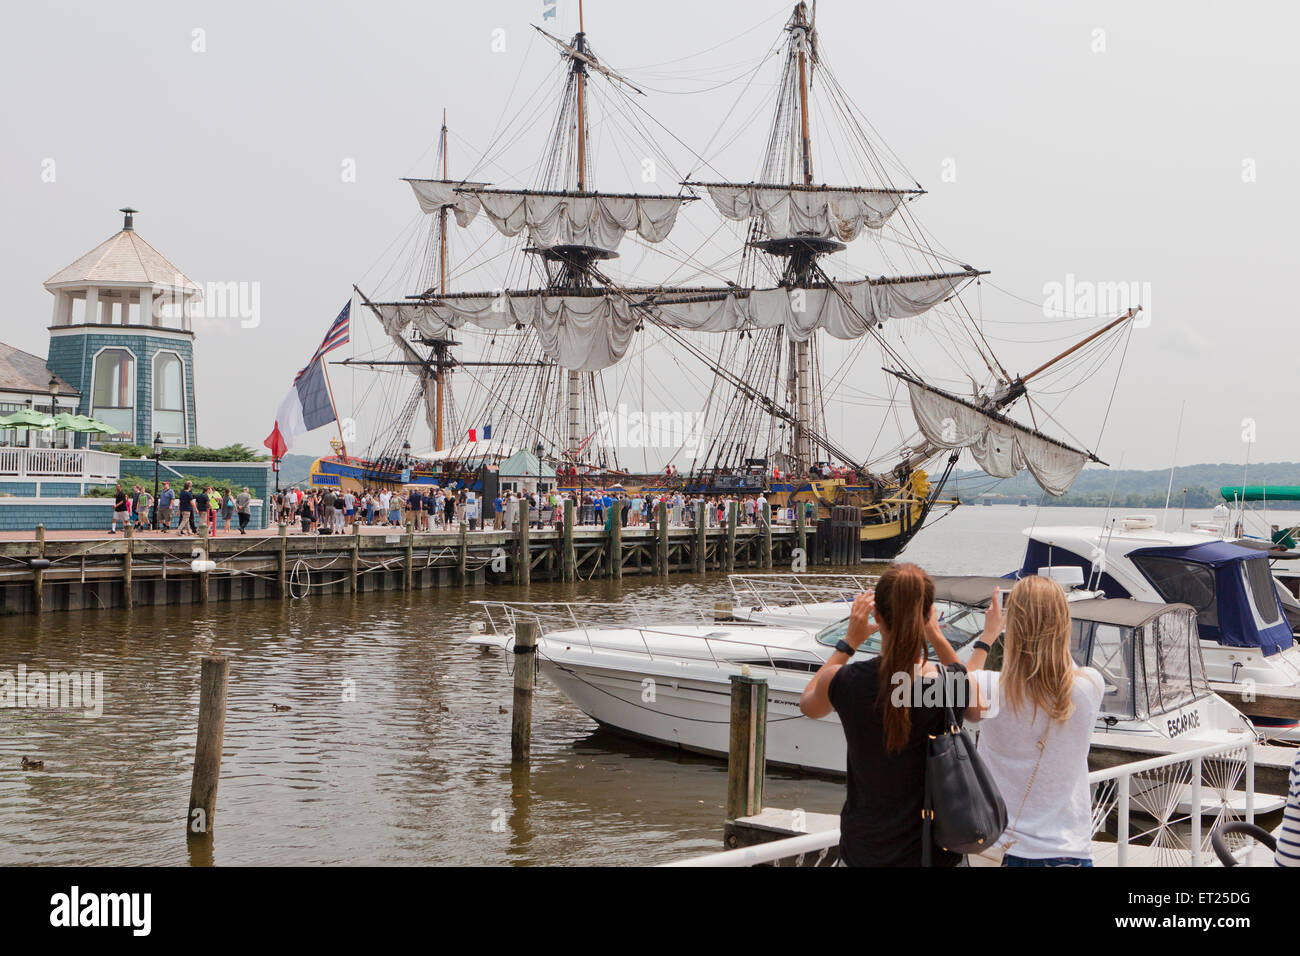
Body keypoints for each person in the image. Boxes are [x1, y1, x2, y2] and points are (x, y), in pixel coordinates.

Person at [799, 563, 966, 867]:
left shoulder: (846, 681)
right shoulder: (947, 685)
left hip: (864, 850)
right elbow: (974, 698)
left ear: (877, 617)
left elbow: (809, 705)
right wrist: (937, 636)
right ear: (929, 616)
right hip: (929, 853)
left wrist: (849, 642)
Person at [949, 577, 1103, 867]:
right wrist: (1052, 624)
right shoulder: (1089, 686)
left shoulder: (992, 689)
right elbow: (1062, 670)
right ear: (1063, 623)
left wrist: (989, 635)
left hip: (1001, 849)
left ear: (1014, 626)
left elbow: (959, 687)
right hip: (1067, 850)